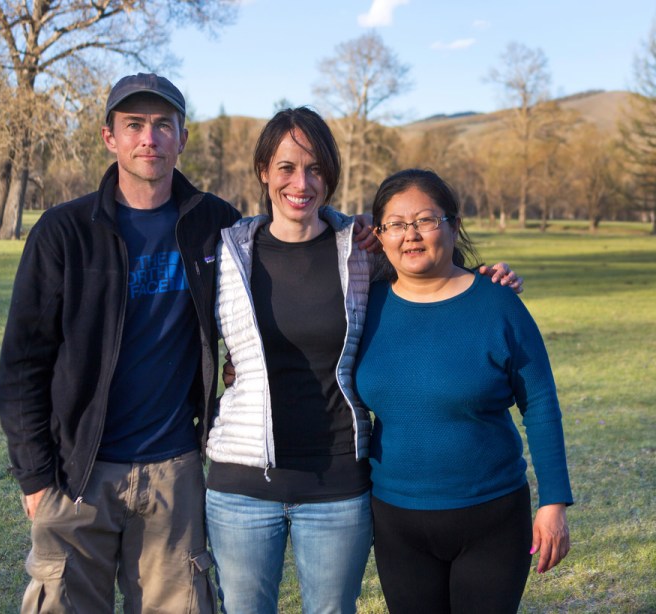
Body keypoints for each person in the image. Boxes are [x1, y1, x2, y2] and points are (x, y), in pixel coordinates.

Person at [206, 109, 523, 614]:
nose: (301, 183)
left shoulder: (359, 251)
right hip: (242, 483)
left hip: (339, 483)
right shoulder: (226, 254)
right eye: (286, 167)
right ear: (264, 170)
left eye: (315, 169)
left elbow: (426, 271)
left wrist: (485, 280)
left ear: (331, 175)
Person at [0, 73, 241, 613]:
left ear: (182, 136)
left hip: (174, 472)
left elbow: (292, 252)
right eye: (134, 125)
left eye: (162, 125)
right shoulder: (64, 232)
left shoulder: (215, 224)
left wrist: (371, 241)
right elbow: (21, 365)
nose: (148, 139)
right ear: (110, 137)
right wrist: (35, 478)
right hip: (77, 473)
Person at [355, 168, 573, 614]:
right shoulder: (363, 306)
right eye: (396, 224)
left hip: (491, 518)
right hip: (397, 522)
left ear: (453, 226)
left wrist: (554, 502)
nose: (410, 235)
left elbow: (542, 405)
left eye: (425, 220)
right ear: (381, 235)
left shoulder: (498, 304)